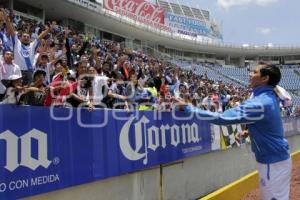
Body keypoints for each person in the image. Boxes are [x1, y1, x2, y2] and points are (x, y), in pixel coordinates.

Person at [183, 63, 291, 200]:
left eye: (254, 72)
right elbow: (266, 123)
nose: (250, 74)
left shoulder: (260, 103)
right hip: (275, 159)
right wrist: (249, 132)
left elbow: (222, 118)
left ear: (265, 78)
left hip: (273, 163)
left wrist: (188, 109)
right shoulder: (269, 96)